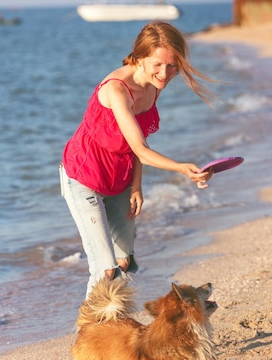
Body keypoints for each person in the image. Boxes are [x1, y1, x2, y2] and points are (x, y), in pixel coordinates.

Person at [59, 21, 215, 297]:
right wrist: (181, 168)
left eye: (172, 65)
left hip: (119, 179)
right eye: (158, 64)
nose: (165, 73)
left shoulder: (155, 85)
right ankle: (91, 334)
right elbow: (141, 148)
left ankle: (116, 327)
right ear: (139, 57)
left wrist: (136, 185)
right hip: (83, 179)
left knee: (124, 262)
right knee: (106, 269)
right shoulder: (117, 89)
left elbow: (138, 142)